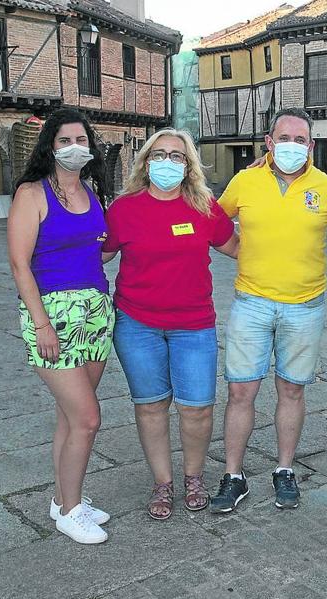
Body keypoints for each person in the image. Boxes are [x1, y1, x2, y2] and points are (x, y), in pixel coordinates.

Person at [210, 108, 327, 513]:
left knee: (291, 389)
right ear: (269, 143)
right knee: (241, 391)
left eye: (301, 139)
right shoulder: (245, 180)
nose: (293, 145)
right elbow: (215, 223)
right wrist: (237, 249)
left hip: (305, 308)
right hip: (251, 304)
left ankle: (284, 469)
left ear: (311, 145)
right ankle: (234, 475)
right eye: (284, 138)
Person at [102, 129, 239, 521]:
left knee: (197, 408)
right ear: (146, 162)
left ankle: (193, 477)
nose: (168, 162)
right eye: (159, 154)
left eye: (177, 156)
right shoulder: (125, 209)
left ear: (188, 165)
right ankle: (162, 482)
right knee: (151, 406)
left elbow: (239, 249)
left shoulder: (204, 207)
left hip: (193, 325)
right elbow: (101, 256)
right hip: (137, 324)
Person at [6, 109, 114, 544]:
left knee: (70, 417)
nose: (75, 147)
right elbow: (19, 264)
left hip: (94, 312)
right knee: (87, 418)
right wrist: (42, 324)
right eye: (65, 140)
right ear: (50, 146)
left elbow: (98, 251)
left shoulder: (92, 191)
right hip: (52, 315)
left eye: (81, 140)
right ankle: (71, 512)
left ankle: (62, 498)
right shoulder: (31, 194)